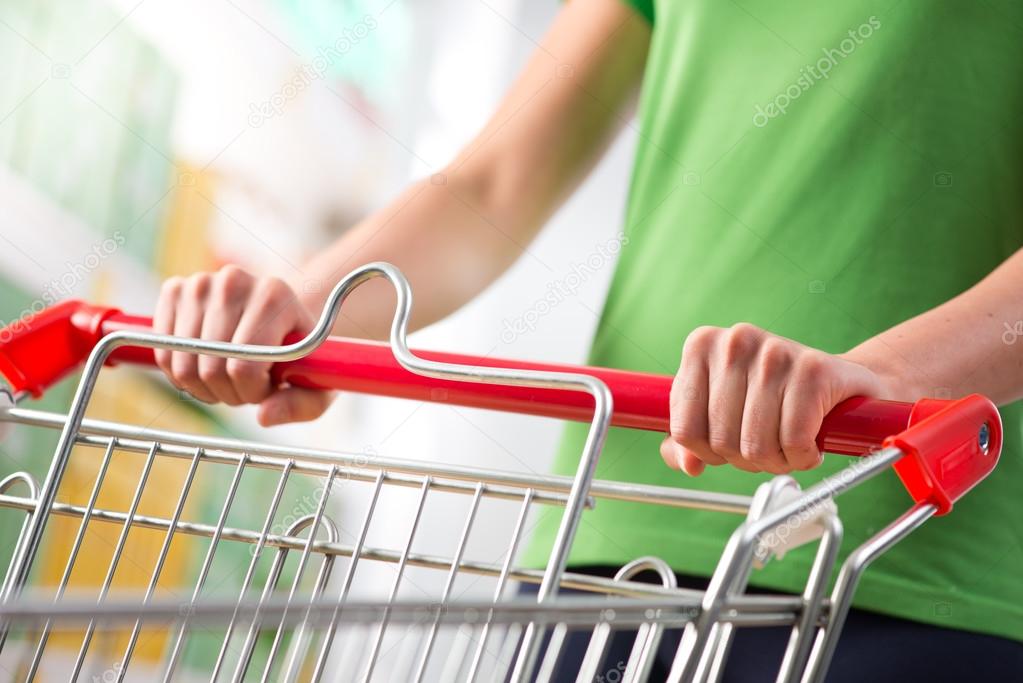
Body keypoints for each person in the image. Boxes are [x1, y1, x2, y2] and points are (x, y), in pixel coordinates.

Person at [153, 0, 1023, 679]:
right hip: (622, 553)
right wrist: (297, 316)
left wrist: (877, 377)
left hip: (923, 572)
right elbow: (491, 187)